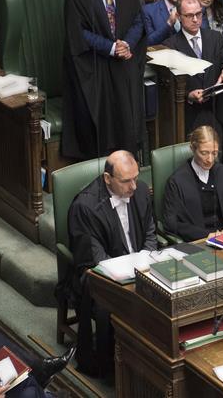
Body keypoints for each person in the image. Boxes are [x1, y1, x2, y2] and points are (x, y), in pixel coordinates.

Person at [67, 150, 156, 377]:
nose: (134, 186)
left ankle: (153, 360)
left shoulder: (142, 191)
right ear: (108, 179)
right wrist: (131, 276)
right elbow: (96, 260)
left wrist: (146, 260)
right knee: (113, 301)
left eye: (136, 177)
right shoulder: (85, 207)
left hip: (140, 265)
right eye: (126, 181)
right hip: (102, 275)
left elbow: (150, 233)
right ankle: (115, 365)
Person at [61, 0, 145, 160]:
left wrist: (127, 44)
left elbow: (138, 20)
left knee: (128, 114)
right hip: (94, 67)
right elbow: (78, 34)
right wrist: (110, 47)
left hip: (124, 64)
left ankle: (128, 162)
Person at [162, 0, 223, 139]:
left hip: (216, 112)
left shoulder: (215, 37)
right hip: (188, 115)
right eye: (189, 16)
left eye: (198, 14)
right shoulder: (170, 46)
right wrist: (188, 95)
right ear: (178, 16)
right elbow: (168, 85)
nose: (196, 19)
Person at [162, 126, 223, 242]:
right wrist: (206, 235)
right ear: (192, 149)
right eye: (204, 153)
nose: (210, 159)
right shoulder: (177, 182)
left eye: (214, 153)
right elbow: (172, 223)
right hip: (200, 241)